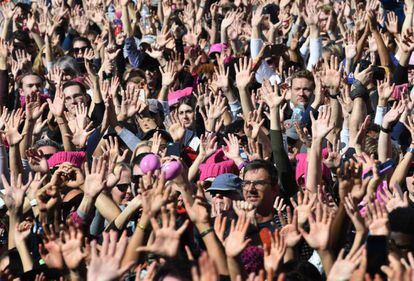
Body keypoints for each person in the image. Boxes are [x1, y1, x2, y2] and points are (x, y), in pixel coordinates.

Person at [2, 0, 414, 280]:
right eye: (241, 185)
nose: (243, 192)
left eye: (249, 185)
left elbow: (290, 174)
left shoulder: (280, 220)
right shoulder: (202, 223)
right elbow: (98, 222)